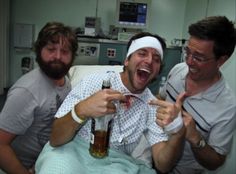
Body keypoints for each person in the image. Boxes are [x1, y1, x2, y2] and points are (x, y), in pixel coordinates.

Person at [35, 32, 186, 174]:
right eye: (142, 53)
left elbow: (162, 164)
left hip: (115, 164)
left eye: (157, 59)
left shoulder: (151, 105)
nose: (149, 60)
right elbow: (55, 138)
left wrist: (178, 132)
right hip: (72, 152)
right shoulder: (93, 82)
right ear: (127, 60)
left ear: (158, 71)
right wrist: (81, 110)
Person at [156, 16, 236, 174]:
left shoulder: (228, 107)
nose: (189, 62)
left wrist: (195, 138)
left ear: (221, 60)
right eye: (188, 52)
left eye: (198, 57)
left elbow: (215, 162)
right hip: (152, 150)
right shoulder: (178, 69)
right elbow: (160, 98)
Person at [0, 21, 78, 174]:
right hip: (21, 167)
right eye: (51, 49)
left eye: (64, 51)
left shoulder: (65, 81)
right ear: (39, 50)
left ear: (72, 56)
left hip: (47, 159)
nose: (57, 57)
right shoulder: (26, 91)